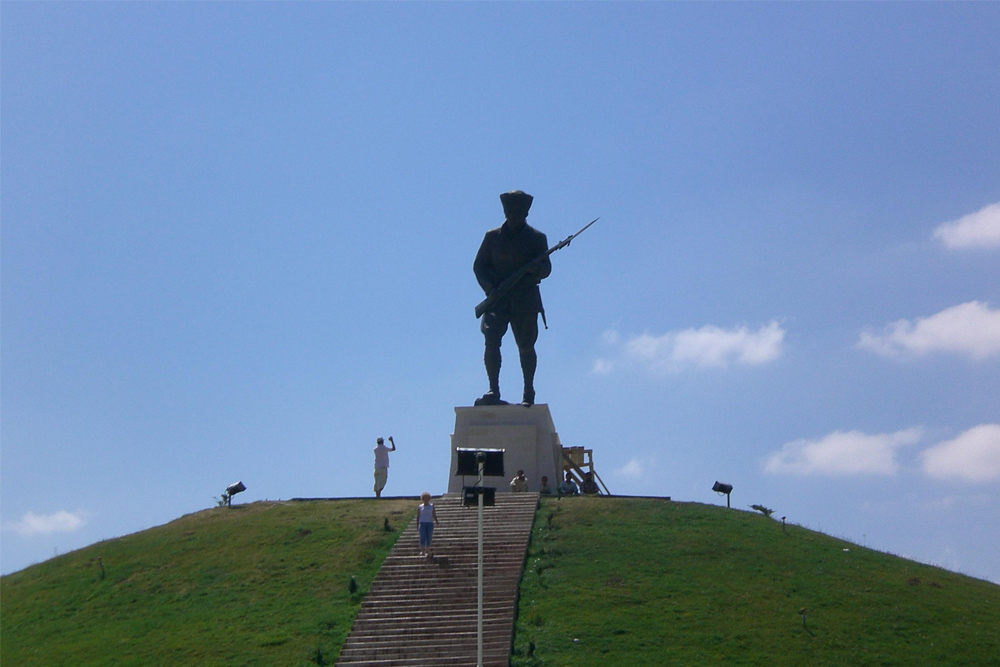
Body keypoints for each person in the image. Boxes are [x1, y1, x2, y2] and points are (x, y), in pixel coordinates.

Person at [474, 190, 551, 407]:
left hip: (525, 299)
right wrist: (491, 289)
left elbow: (546, 268)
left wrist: (536, 269)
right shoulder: (492, 237)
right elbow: (479, 266)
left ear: (526, 213)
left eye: (518, 212)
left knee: (526, 345)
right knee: (491, 341)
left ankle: (528, 390)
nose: (514, 215)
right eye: (510, 211)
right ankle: (493, 389)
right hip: (498, 298)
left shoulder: (537, 238)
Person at [416, 492, 439, 558]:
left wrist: (436, 521)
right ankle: (422, 551)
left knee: (429, 537)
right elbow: (418, 516)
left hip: (430, 523)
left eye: (427, 498)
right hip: (422, 523)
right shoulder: (420, 507)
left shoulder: (431, 506)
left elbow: (434, 514)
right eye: (425, 498)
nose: (426, 500)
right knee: (423, 537)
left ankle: (427, 550)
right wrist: (417, 524)